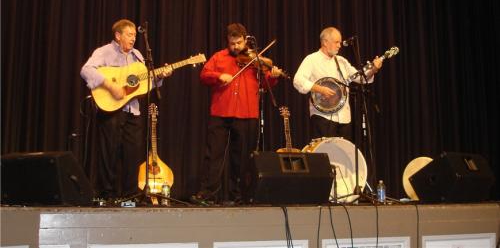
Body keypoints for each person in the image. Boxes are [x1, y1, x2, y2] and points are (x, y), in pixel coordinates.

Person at [81, 18, 172, 199]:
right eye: (129, 35)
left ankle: (130, 195)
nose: (133, 39)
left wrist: (160, 76)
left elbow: (143, 84)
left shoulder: (137, 55)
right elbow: (86, 70)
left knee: (132, 154)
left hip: (133, 111)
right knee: (109, 154)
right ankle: (106, 194)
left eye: (134, 36)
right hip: (111, 110)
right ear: (118, 35)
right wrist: (109, 85)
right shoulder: (104, 52)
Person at [191, 23, 282, 205]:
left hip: (247, 114)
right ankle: (208, 194)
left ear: (245, 40)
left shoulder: (254, 59)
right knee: (214, 154)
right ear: (228, 41)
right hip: (221, 112)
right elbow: (204, 75)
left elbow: (265, 85)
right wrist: (219, 76)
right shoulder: (219, 57)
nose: (235, 47)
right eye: (232, 43)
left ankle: (239, 195)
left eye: (239, 43)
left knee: (241, 159)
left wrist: (274, 76)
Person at [293, 27, 383, 141]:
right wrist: (320, 89)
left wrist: (374, 69)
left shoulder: (342, 61)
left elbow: (361, 78)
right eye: (336, 42)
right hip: (322, 117)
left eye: (340, 42)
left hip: (344, 117)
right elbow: (298, 80)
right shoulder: (311, 59)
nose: (339, 45)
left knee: (342, 155)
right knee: (324, 156)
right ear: (325, 42)